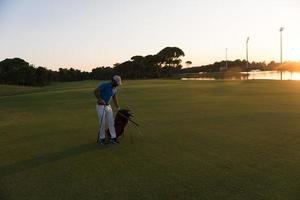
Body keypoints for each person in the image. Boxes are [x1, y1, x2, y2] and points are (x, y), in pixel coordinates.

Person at [94, 75, 122, 144]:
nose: (117, 84)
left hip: (108, 106)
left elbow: (114, 97)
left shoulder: (115, 88)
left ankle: (113, 138)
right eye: (116, 83)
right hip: (100, 106)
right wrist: (100, 99)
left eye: (118, 83)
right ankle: (102, 139)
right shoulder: (105, 85)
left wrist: (117, 107)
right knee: (102, 123)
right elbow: (96, 91)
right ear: (113, 81)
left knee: (111, 122)